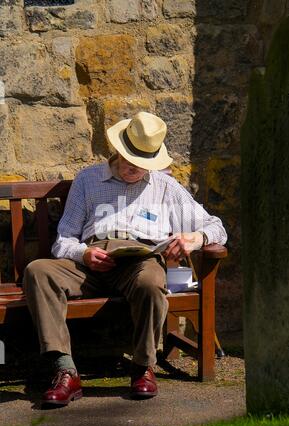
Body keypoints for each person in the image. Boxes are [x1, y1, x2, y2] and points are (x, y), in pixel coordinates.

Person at [23, 111, 227, 406]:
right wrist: (84, 253)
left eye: (144, 164)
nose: (136, 169)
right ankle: (65, 371)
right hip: (91, 263)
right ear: (117, 150)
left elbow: (216, 227)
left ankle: (143, 366)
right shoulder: (88, 180)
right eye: (131, 160)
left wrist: (194, 239)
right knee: (38, 271)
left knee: (152, 280)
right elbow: (63, 240)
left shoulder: (166, 187)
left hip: (140, 261)